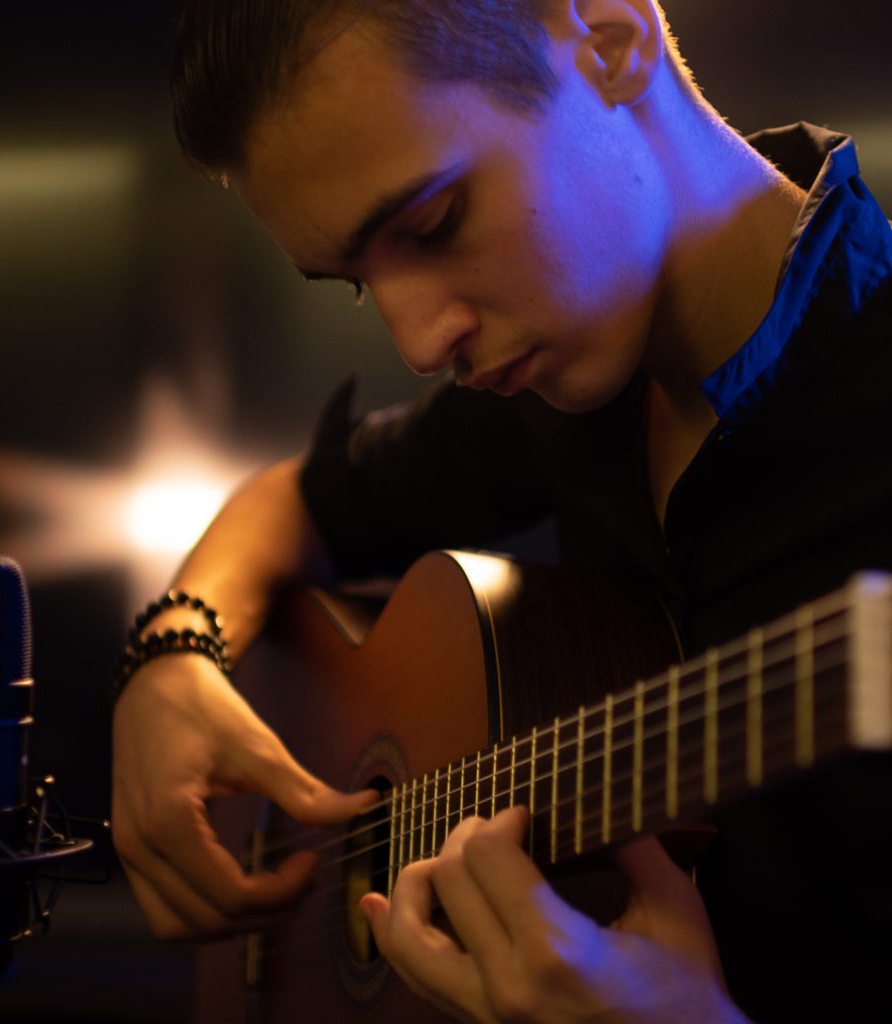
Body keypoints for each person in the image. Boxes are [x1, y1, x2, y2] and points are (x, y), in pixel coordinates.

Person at [111, 2, 892, 1021]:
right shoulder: (556, 390)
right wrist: (170, 656)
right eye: (355, 281)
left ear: (610, 43)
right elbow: (289, 500)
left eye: (431, 223)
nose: (420, 342)